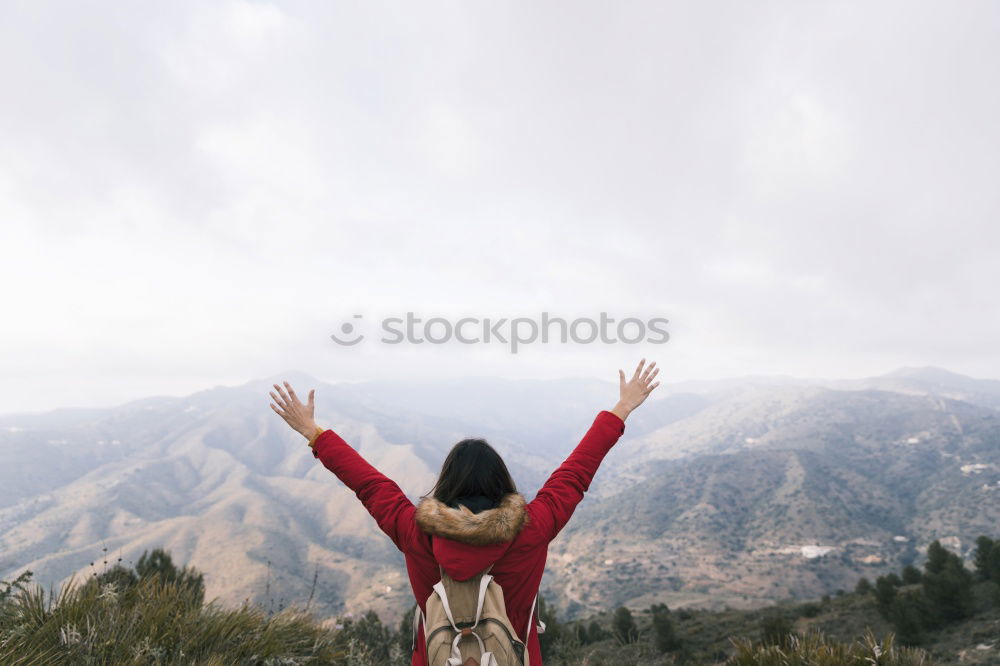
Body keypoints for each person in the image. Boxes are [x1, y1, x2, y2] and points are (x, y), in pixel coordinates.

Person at [269, 359, 660, 665]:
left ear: (446, 484)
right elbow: (575, 474)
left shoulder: (414, 531)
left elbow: (370, 485)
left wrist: (314, 433)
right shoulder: (532, 529)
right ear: (502, 482)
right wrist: (622, 407)